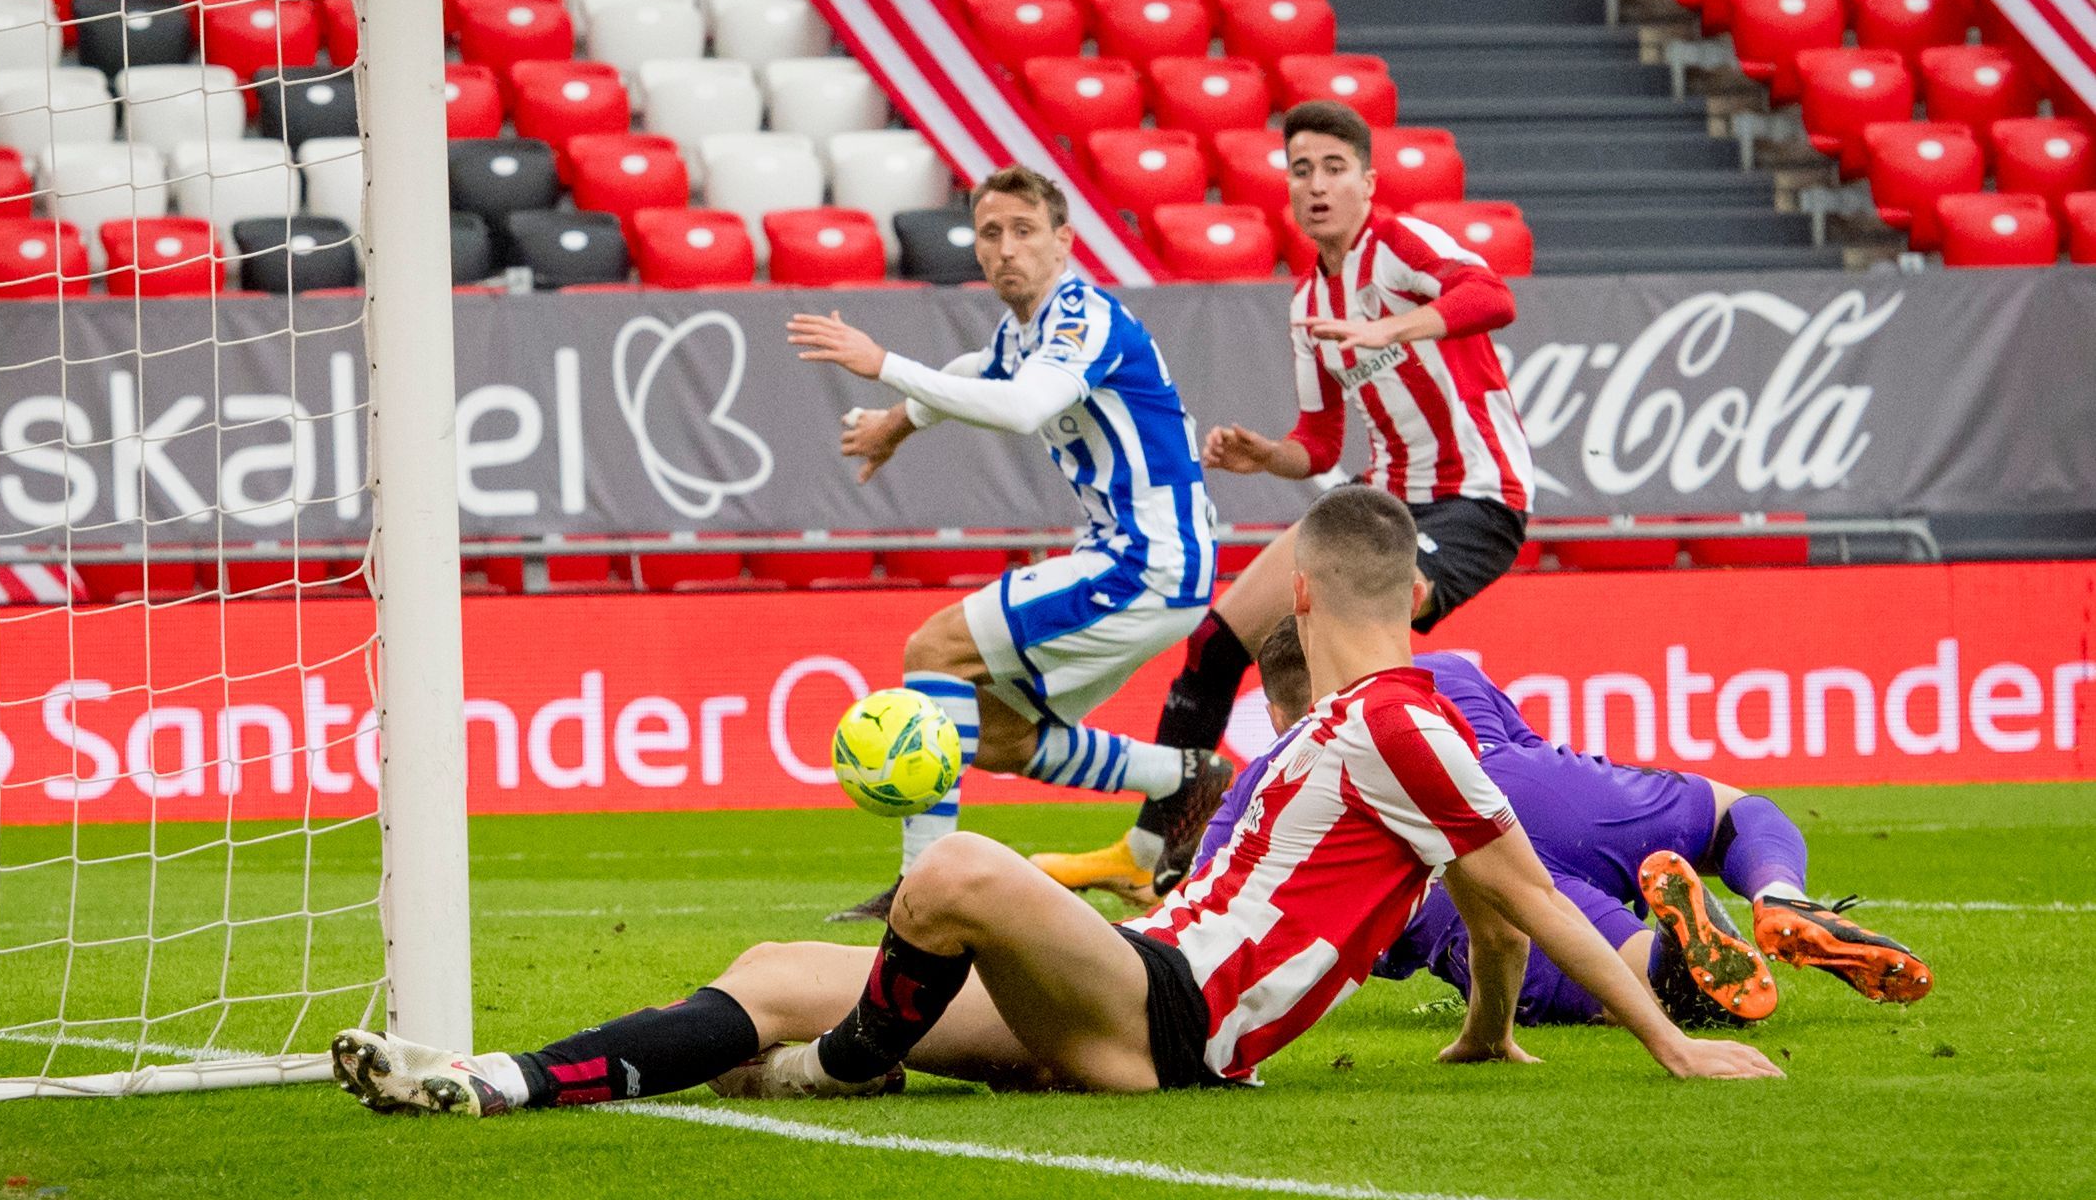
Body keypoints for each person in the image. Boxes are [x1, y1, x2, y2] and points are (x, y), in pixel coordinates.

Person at [329, 488, 1781, 1119]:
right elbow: (1481, 890)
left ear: (1300, 586)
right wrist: (1486, 1030)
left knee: (953, 867)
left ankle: (850, 1067)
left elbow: (1516, 881)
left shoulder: (1404, 714)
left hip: (1178, 1020)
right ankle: (497, 1078)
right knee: (774, 970)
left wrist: (1667, 1044)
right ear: (1409, 587)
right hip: (1130, 983)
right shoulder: (1348, 726)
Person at [1040, 99, 1535, 902]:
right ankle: (1151, 852)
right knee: (1214, 647)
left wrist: (1394, 328)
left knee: (1346, 651)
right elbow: (1320, 441)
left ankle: (1414, 846)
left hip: (1475, 501)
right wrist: (1266, 455)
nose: (1316, 185)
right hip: (1378, 502)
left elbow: (1491, 295)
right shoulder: (1308, 303)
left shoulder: (1400, 247)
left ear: (1366, 183)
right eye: (1300, 169)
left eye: (1333, 168)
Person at [786, 164, 1231, 922]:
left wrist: (885, 366)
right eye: (989, 233)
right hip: (1144, 560)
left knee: (933, 652)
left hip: (1145, 557)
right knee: (996, 734)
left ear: (1062, 242)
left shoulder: (1081, 315)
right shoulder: (1022, 328)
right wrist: (896, 423)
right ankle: (1183, 776)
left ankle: (921, 882)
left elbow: (1025, 406)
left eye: (1024, 231)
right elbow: (977, 369)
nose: (1004, 248)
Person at [1176, 621, 1935, 1029]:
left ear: (1276, 710)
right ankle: (1778, 891)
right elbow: (1518, 737)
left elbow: (1277, 920)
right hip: (1548, 791)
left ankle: (1682, 961)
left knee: (1650, 986)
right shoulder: (1440, 669)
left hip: (1455, 880)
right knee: (1738, 812)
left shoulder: (1276, 765)